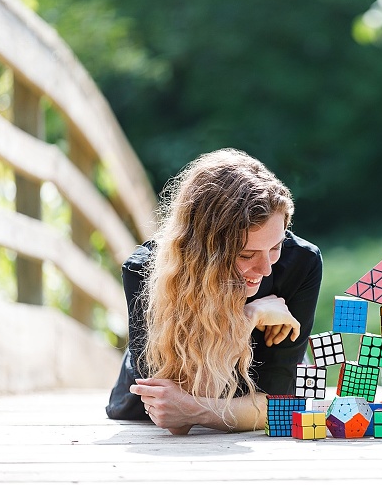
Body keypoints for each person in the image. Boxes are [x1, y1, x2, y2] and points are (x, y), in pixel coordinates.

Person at [105, 148, 323, 434]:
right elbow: (170, 412)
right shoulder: (146, 270)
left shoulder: (301, 263)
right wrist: (249, 317)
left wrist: (195, 410)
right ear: (204, 252)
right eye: (246, 255)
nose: (266, 269)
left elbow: (278, 405)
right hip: (142, 419)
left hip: (258, 395)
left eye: (275, 247)